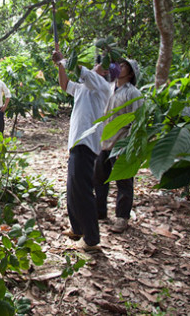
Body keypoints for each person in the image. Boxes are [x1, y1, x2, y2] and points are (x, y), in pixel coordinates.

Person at [53, 49, 112, 251]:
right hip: (76, 143)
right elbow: (65, 85)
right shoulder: (83, 88)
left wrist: (64, 60)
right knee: (72, 189)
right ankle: (77, 228)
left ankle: (92, 239)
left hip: (87, 144)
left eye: (103, 66)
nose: (99, 67)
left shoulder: (103, 86)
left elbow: (82, 72)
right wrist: (61, 65)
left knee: (83, 191)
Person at [93, 59, 143, 233]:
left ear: (130, 73)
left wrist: (127, 146)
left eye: (123, 66)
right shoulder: (110, 88)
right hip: (104, 143)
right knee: (99, 179)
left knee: (124, 182)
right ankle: (100, 212)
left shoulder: (133, 93)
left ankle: (122, 218)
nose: (119, 68)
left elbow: (136, 123)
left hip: (121, 143)